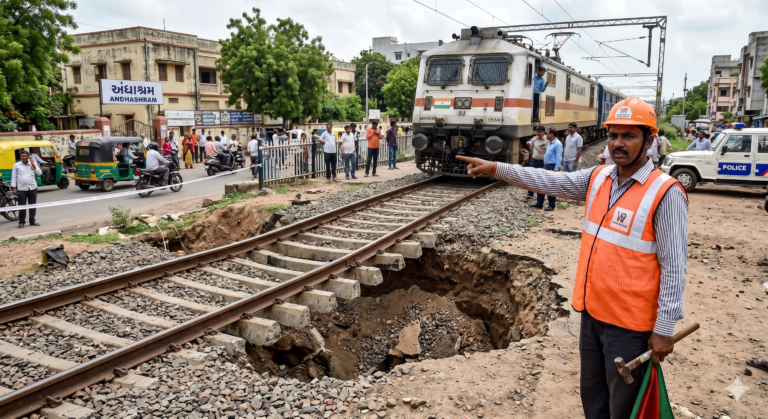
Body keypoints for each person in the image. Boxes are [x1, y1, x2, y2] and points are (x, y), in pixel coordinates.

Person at [456, 97, 688, 419]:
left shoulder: (666, 193)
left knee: (624, 406)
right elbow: (550, 181)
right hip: (592, 314)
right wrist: (497, 168)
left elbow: (674, 268)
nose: (618, 144)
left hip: (630, 326)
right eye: (613, 135)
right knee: (593, 399)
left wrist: (663, 328)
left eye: (629, 136)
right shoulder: (599, 178)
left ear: (649, 140)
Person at [529, 127, 562, 211]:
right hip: (546, 166)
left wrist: (556, 170)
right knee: (541, 184)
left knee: (551, 186)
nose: (546, 135)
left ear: (552, 134)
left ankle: (551, 205)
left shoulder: (557, 144)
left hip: (552, 166)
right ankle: (539, 203)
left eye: (547, 133)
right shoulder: (550, 143)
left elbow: (559, 158)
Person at [11, 150, 42, 228]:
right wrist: (14, 188)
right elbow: (14, 177)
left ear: (28, 156)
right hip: (22, 188)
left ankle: (32, 221)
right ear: (20, 157)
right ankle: (21, 222)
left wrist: (34, 166)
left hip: (32, 187)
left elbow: (40, 173)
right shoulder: (16, 165)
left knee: (32, 205)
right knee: (22, 206)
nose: (24, 157)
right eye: (22, 156)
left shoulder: (32, 163)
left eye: (25, 156)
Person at [525, 126, 548, 198]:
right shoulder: (534, 139)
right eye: (537, 132)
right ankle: (530, 193)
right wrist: (529, 146)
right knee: (531, 176)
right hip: (534, 160)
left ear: (544, 132)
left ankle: (540, 194)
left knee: (541, 178)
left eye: (540, 132)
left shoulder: (547, 139)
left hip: (543, 162)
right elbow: (529, 142)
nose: (539, 133)